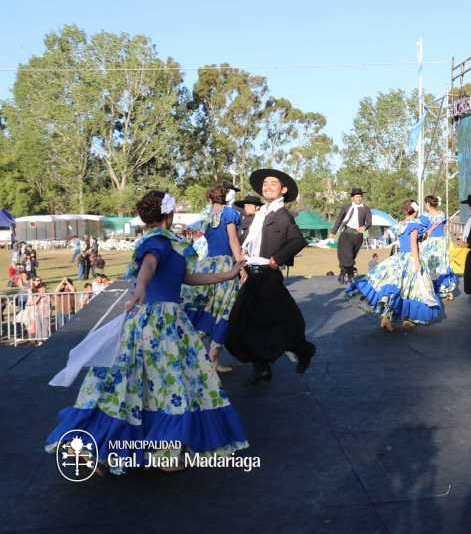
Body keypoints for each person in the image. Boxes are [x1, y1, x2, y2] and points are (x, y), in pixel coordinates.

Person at [45, 190, 248, 474]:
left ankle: (160, 450)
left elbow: (188, 277)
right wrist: (141, 286)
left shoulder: (171, 245)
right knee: (164, 383)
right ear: (168, 214)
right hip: (157, 323)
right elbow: (149, 264)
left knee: (152, 385)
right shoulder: (156, 242)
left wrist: (227, 275)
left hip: (169, 321)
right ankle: (107, 448)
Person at [225, 168, 316, 385]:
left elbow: (298, 241)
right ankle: (261, 367)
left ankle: (303, 350)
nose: (267, 186)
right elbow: (248, 240)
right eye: (265, 183)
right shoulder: (261, 215)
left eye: (273, 183)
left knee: (280, 321)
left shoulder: (281, 215)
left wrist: (277, 258)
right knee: (243, 323)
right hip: (253, 275)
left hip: (267, 276)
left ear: (283, 190)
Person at [345, 200, 442, 331]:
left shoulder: (401, 224)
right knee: (412, 289)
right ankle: (405, 318)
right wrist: (417, 262)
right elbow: (414, 243)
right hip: (410, 259)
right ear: (415, 211)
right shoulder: (414, 224)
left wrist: (432, 228)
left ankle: (390, 318)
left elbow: (421, 237)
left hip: (399, 258)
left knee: (400, 288)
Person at [181, 185, 243, 374]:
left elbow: (189, 233)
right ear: (225, 198)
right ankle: (213, 358)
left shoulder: (205, 215)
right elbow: (233, 240)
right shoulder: (229, 214)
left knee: (202, 305)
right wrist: (240, 264)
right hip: (224, 265)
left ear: (209, 199)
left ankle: (190, 353)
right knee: (224, 308)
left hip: (206, 265)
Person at [418, 195, 459, 301]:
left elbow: (421, 230)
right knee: (442, 265)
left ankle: (429, 288)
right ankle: (443, 289)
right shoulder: (442, 215)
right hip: (441, 242)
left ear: (427, 204)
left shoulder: (424, 217)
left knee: (428, 265)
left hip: (430, 242)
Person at [330, 187, 372, 285]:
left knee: (351, 257)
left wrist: (365, 227)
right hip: (346, 234)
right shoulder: (346, 207)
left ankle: (341, 274)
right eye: (356, 196)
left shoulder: (365, 209)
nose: (358, 198)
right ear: (352, 197)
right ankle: (350, 277)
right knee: (347, 256)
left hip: (358, 236)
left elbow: (370, 221)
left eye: (360, 196)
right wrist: (333, 232)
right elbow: (339, 219)